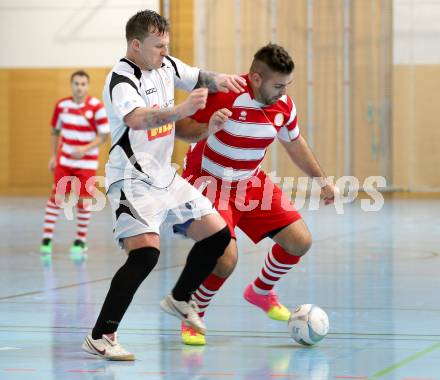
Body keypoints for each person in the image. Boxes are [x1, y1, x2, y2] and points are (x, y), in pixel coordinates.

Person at [81, 10, 246, 361]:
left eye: (166, 45)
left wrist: (227, 80)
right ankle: (101, 335)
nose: (164, 51)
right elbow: (138, 119)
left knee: (217, 235)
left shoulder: (166, 65)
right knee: (145, 255)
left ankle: (179, 297)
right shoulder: (120, 80)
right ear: (136, 45)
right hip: (131, 179)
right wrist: (182, 109)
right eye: (158, 46)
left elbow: (200, 76)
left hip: (163, 176)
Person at [176, 43, 338, 345]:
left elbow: (294, 143)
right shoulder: (223, 93)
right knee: (225, 259)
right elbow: (181, 127)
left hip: (249, 181)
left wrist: (322, 180)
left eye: (287, 85)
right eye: (278, 85)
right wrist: (209, 127)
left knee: (299, 241)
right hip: (207, 180)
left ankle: (261, 291)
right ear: (256, 78)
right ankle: (193, 312)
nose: (283, 91)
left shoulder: (284, 105)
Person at [40, 70, 110, 261]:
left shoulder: (96, 107)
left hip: (86, 163)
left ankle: (80, 240)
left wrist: (85, 149)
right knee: (57, 197)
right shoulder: (62, 105)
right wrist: (53, 156)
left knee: (84, 200)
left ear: (87, 86)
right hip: (65, 160)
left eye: (83, 84)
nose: (79, 87)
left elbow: (104, 136)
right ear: (71, 85)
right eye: (76, 84)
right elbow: (55, 132)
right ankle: (46, 239)